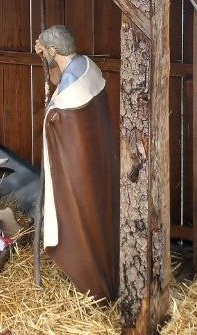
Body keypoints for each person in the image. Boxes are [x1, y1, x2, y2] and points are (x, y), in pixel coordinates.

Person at [32, 24, 118, 301]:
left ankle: (90, 280)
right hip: (96, 167)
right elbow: (59, 81)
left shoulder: (68, 102)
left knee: (80, 219)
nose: (42, 54)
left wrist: (49, 111)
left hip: (77, 173)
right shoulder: (84, 67)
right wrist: (45, 57)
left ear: (54, 51)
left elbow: (53, 116)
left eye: (45, 51)